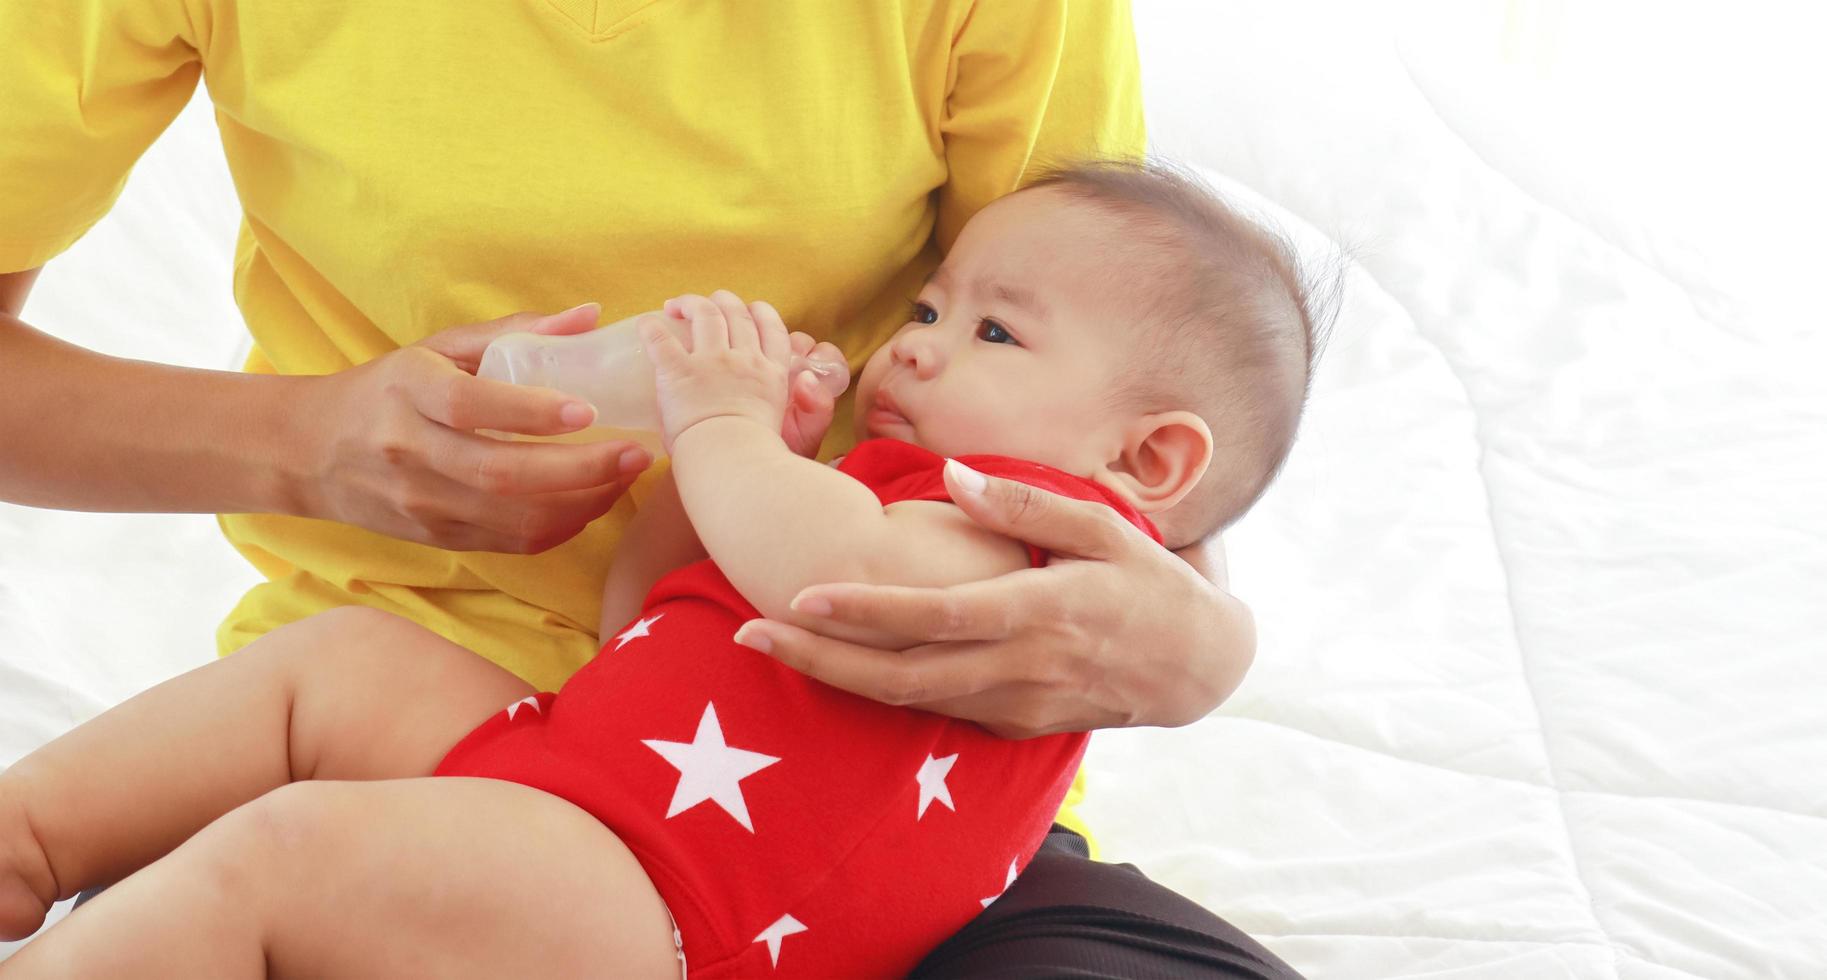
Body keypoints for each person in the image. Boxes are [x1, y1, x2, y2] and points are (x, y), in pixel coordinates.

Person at [0, 3, 1298, 976]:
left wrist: (1199, 639)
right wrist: (310, 436)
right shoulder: (852, 480)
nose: (909, 345)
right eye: (922, 306)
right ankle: (29, 846)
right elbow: (649, 605)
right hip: (571, 747)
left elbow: (1117, 339)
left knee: (283, 856)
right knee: (334, 675)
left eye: (980, 334)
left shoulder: (976, 529)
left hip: (707, 885)